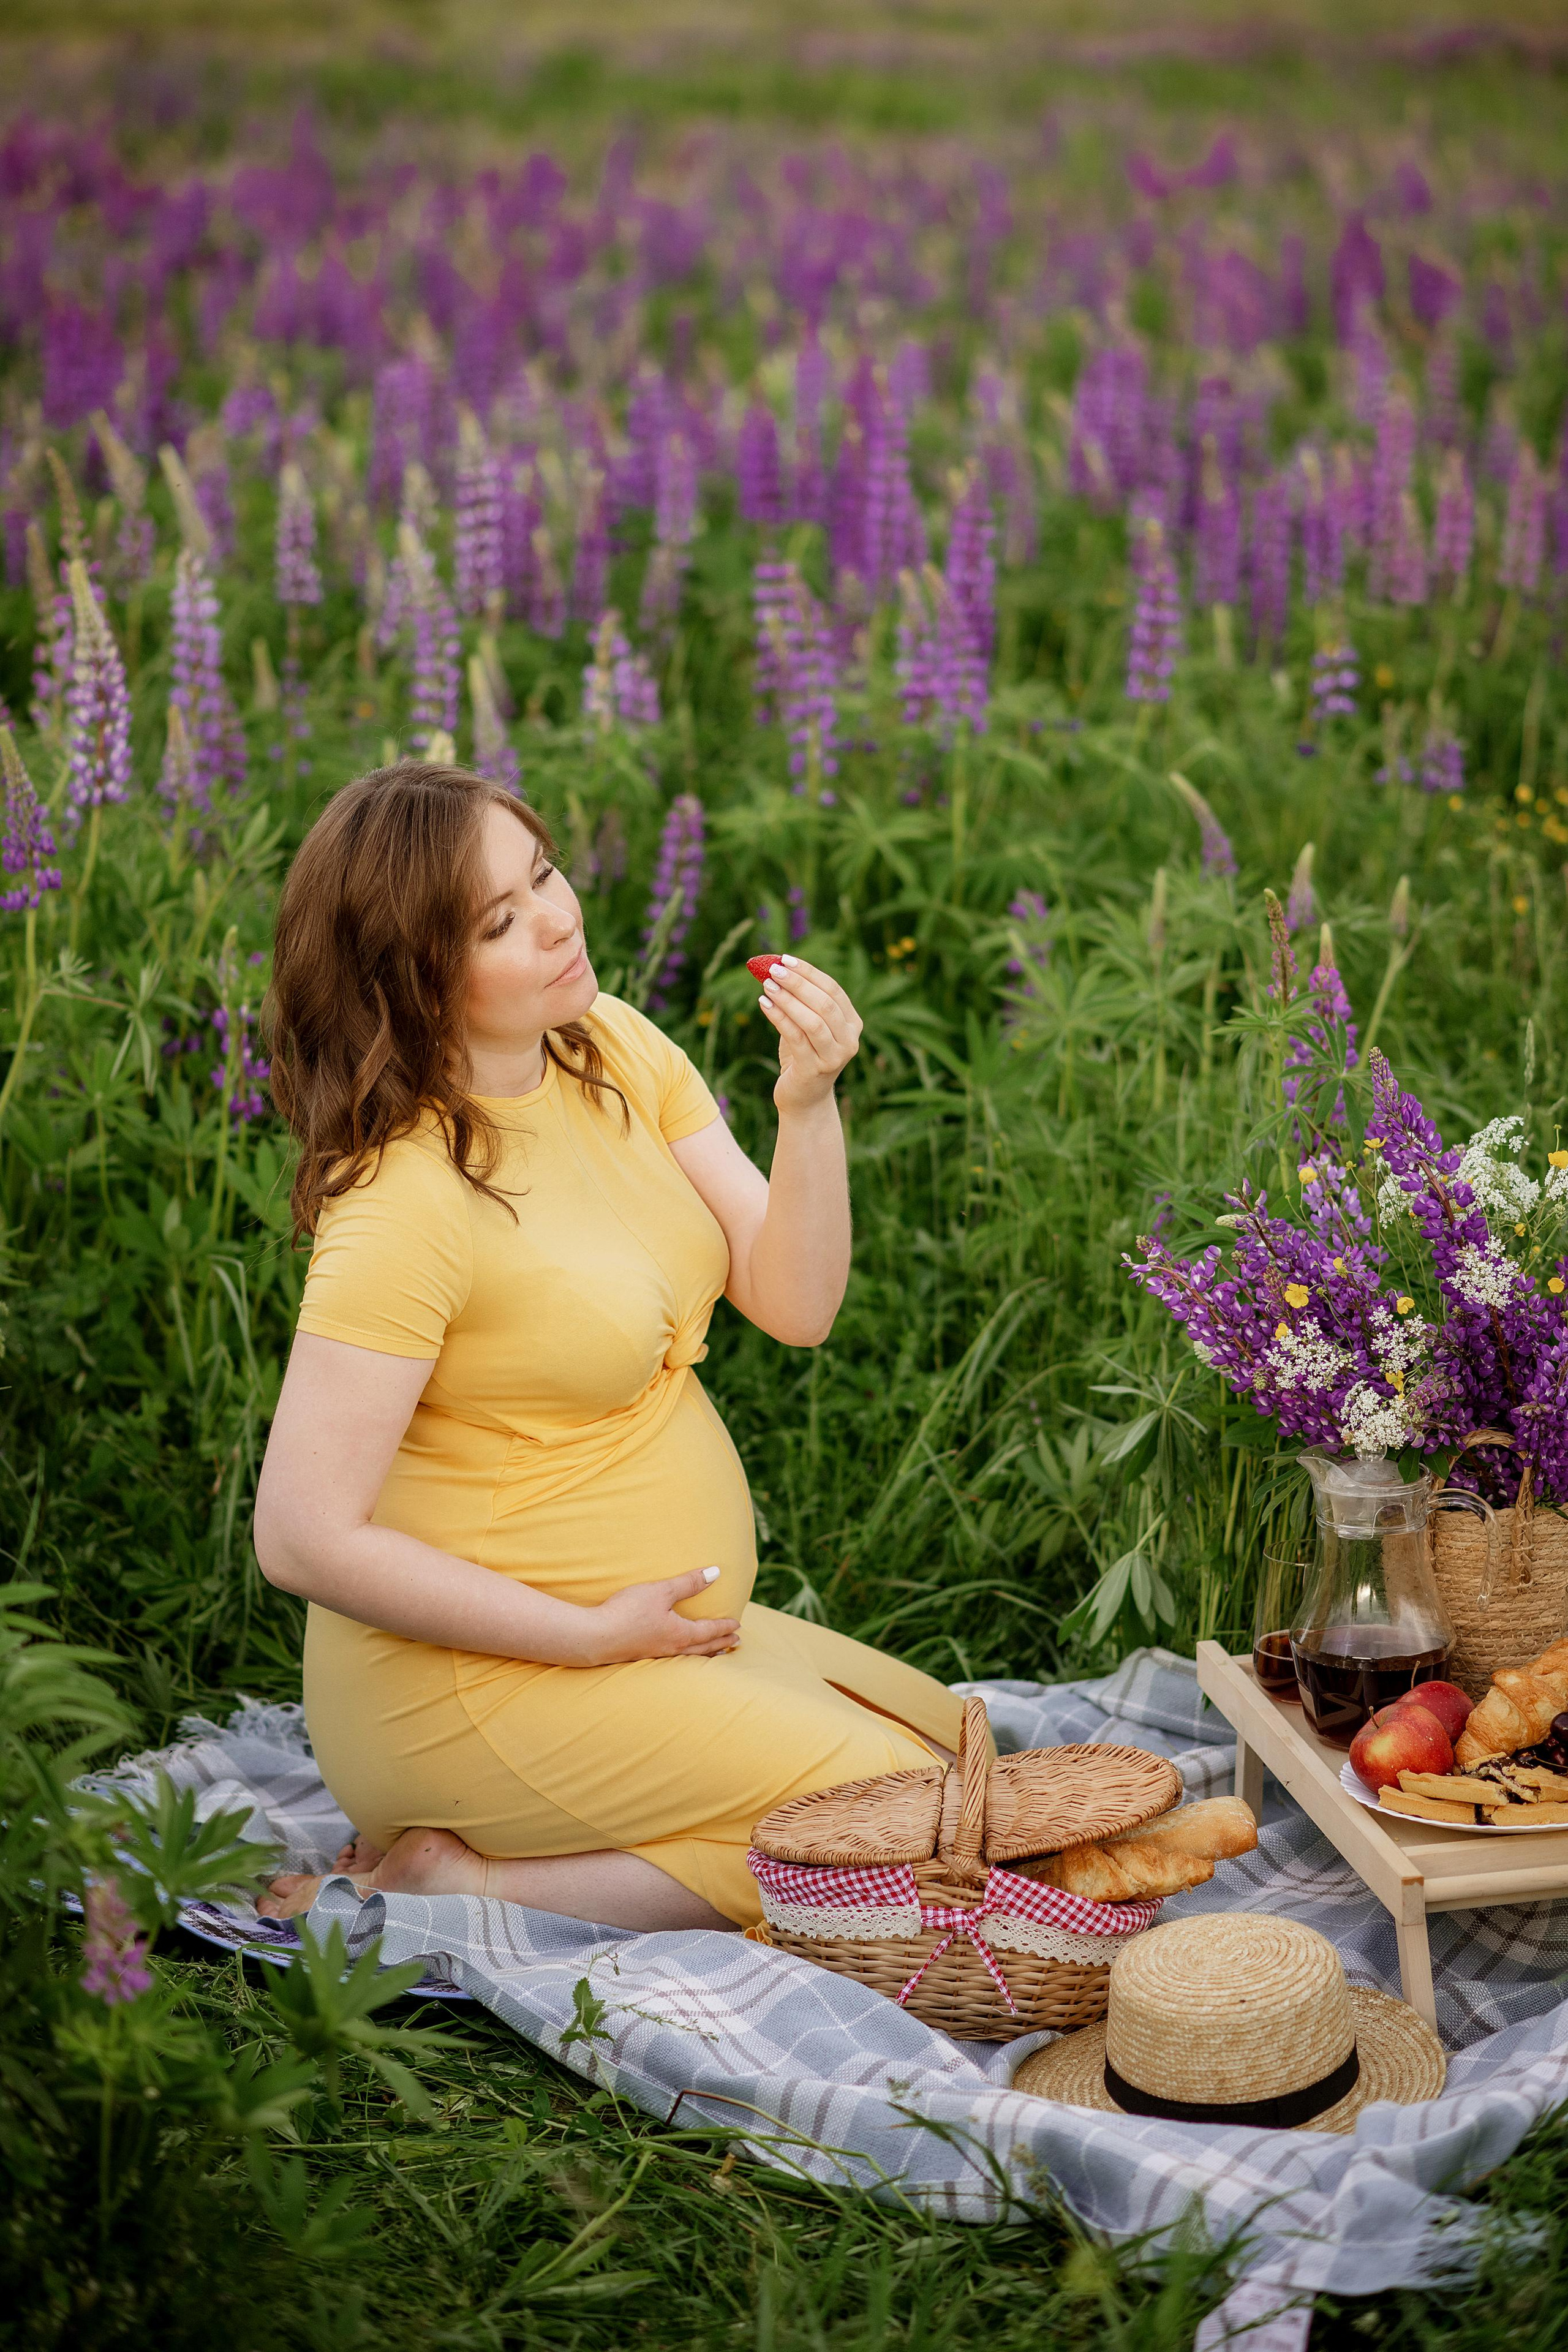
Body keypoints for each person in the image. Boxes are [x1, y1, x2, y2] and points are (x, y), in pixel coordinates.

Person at [254, 763, 963, 1931]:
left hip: (636, 1648)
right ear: (417, 981)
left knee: (957, 1754)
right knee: (928, 1831)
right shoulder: (403, 1202)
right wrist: (583, 1636)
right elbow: (300, 1535)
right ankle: (468, 1883)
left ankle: (484, 1862)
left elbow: (795, 1302)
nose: (558, 916)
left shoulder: (610, 1047)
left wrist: (808, 1103)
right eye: (500, 921)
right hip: (471, 1687)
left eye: (542, 872)